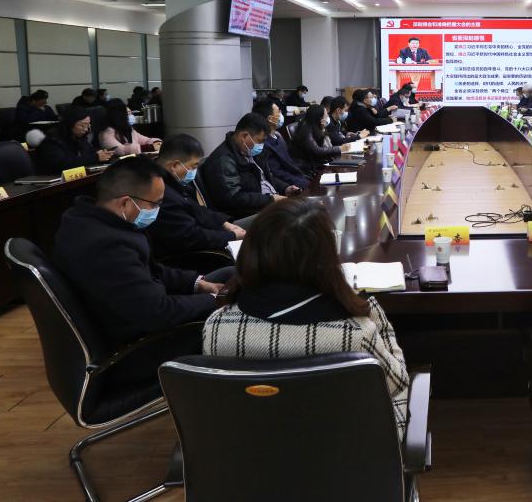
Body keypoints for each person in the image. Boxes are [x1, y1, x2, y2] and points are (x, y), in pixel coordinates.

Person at [202, 199, 410, 437]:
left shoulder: (215, 326)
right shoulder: (355, 334)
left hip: (253, 448)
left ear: (251, 252)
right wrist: (375, 317)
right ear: (326, 259)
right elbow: (398, 382)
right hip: (345, 450)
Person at [52, 156, 229, 347]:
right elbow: (158, 312)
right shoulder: (106, 246)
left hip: (144, 308)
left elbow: (152, 270)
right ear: (125, 203)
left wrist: (197, 284)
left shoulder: (95, 220)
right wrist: (214, 300)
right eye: (155, 204)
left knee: (229, 275)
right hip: (140, 342)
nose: (158, 210)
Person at [148, 134, 249, 260]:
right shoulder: (161, 193)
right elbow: (191, 236)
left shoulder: (173, 181)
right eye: (194, 166)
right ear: (174, 166)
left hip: (213, 232)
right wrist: (231, 236)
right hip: (196, 254)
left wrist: (224, 223)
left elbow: (197, 209)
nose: (194, 172)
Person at [201, 113, 301, 216]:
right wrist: (270, 199)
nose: (261, 145)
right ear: (245, 136)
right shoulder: (223, 160)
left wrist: (285, 188)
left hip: (268, 203)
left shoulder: (249, 150)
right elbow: (234, 198)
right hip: (250, 213)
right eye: (260, 141)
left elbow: (265, 177)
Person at [36, 106, 113, 174]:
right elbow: (62, 163)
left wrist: (101, 153)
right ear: (70, 124)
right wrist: (95, 157)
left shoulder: (79, 136)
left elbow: (89, 151)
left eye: (88, 125)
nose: (86, 129)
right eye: (82, 125)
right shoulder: (52, 138)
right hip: (56, 178)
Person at [252, 99, 311, 189]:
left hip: (299, 177)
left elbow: (290, 164)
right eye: (278, 111)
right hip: (292, 185)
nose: (281, 114)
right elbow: (278, 173)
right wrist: (305, 184)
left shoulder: (277, 136)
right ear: (270, 119)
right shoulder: (264, 145)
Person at [291, 104, 356, 174]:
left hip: (321, 161)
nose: (328, 117)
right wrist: (339, 148)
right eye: (326, 116)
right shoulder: (306, 131)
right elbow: (317, 150)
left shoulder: (317, 127)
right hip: (311, 167)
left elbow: (328, 146)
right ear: (319, 119)